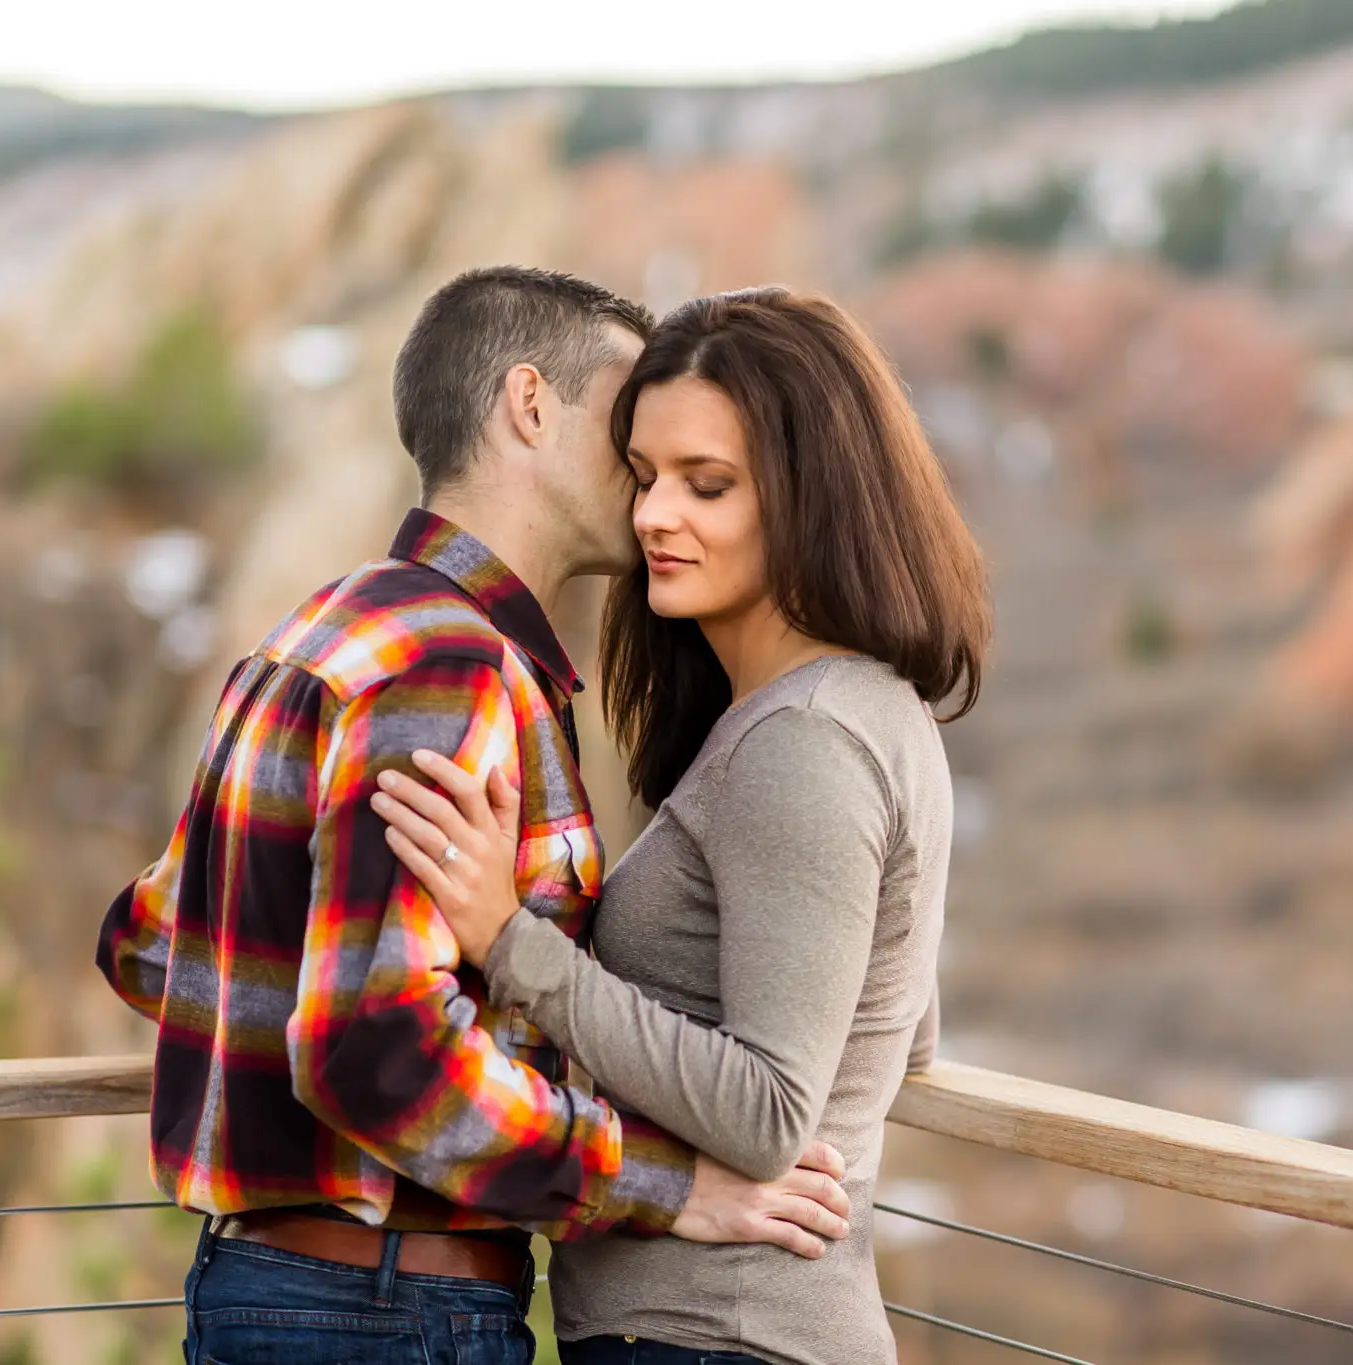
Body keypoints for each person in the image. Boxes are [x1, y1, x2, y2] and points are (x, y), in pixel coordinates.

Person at [94, 268, 853, 1365]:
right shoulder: (447, 666)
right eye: (629, 435)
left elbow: (148, 943)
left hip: (284, 1293)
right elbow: (375, 1042)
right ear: (530, 405)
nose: (649, 492)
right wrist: (664, 1184)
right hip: (385, 1311)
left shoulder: (323, 628)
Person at [373, 286, 991, 1365]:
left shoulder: (805, 739)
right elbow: (896, 1026)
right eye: (644, 475)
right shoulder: (839, 715)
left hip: (721, 1337)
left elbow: (767, 1113)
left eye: (706, 485)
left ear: (812, 498)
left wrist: (506, 940)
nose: (654, 514)